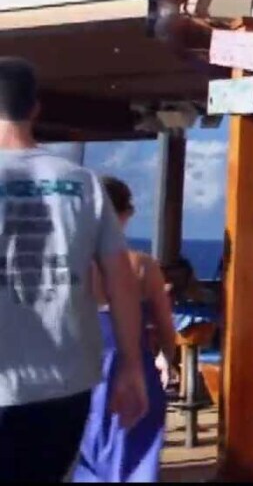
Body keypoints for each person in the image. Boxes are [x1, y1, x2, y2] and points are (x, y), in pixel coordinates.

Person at [0, 57, 148, 482]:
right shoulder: (83, 183)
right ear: (35, 109)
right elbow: (121, 281)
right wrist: (132, 365)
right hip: (65, 382)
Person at [74, 176, 179, 482]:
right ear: (125, 215)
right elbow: (166, 328)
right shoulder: (142, 266)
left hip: (78, 374)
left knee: (80, 461)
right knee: (135, 463)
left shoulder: (69, 265)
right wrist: (167, 359)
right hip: (133, 371)